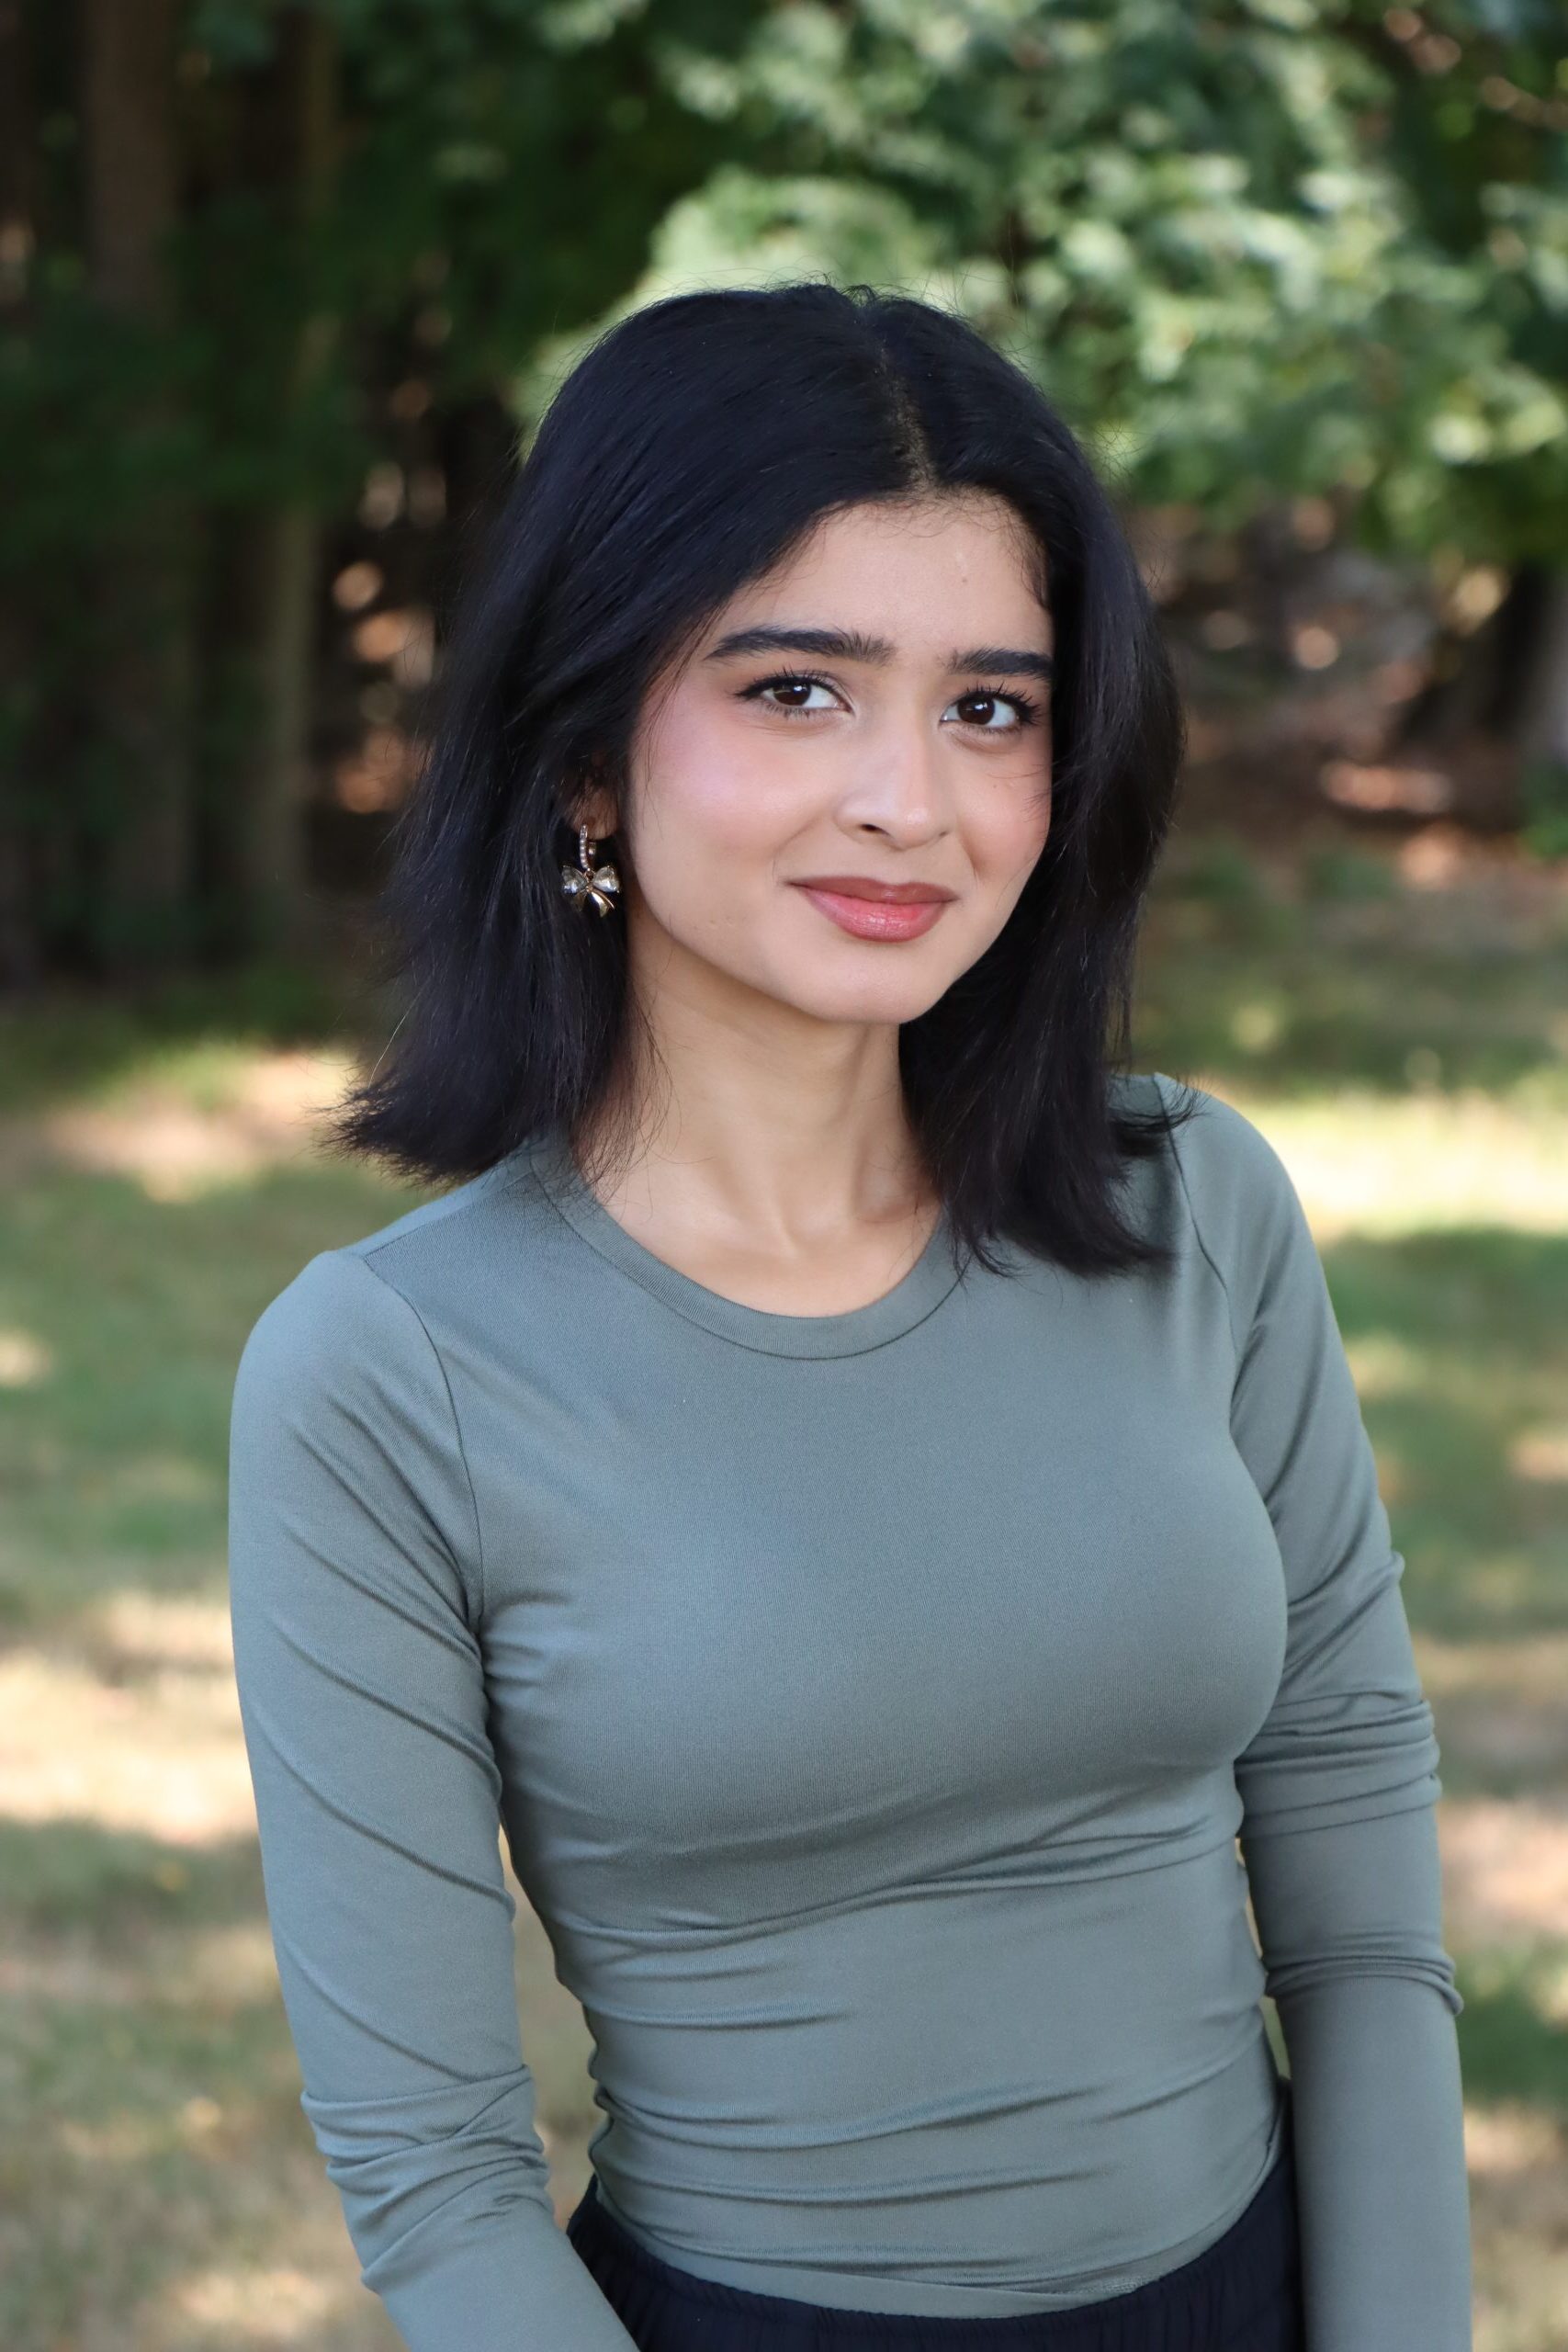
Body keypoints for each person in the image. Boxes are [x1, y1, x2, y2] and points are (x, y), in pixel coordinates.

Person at [226, 280, 1472, 2352]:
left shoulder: (1196, 1206)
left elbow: (1357, 1889)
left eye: (988, 704)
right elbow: (437, 2172)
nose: (910, 796)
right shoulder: (386, 1375)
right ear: (586, 756)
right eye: (798, 688)